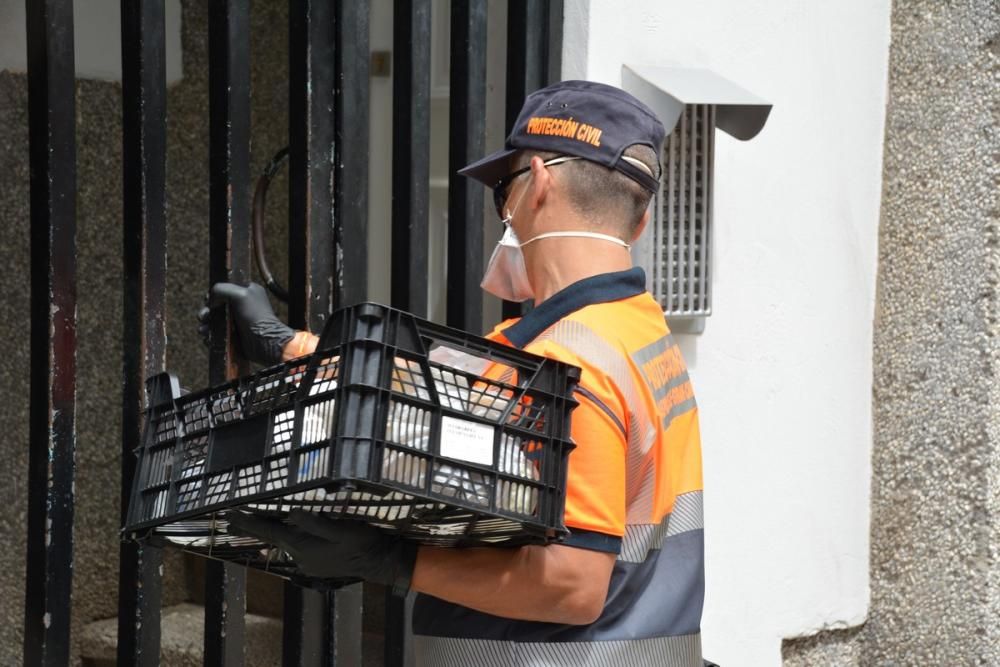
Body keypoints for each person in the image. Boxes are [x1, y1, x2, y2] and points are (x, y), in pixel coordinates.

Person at [206, 80, 706, 667]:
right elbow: (446, 387)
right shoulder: (632, 329)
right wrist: (291, 346)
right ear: (640, 223)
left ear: (538, 182)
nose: (505, 212)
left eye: (505, 189)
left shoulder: (573, 362)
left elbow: (574, 584)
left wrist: (392, 562)